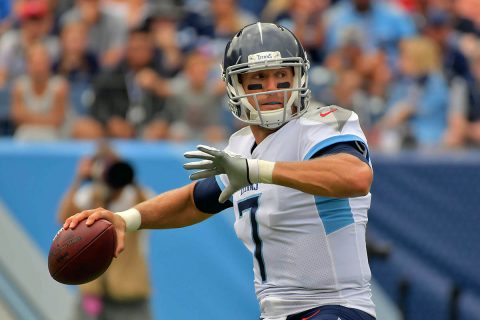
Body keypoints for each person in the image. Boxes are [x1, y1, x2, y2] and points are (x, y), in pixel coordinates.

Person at [64, 23, 376, 320]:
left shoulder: (323, 123)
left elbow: (355, 176)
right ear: (234, 85)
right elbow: (194, 200)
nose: (272, 88)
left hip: (337, 305)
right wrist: (126, 219)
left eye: (281, 75)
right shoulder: (241, 146)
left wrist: (258, 171)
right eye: (258, 78)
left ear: (299, 77)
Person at [58, 142, 152, 320]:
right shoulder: (89, 195)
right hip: (94, 291)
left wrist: (127, 176)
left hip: (129, 292)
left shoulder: (136, 196)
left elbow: (150, 210)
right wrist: (79, 178)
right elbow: (64, 218)